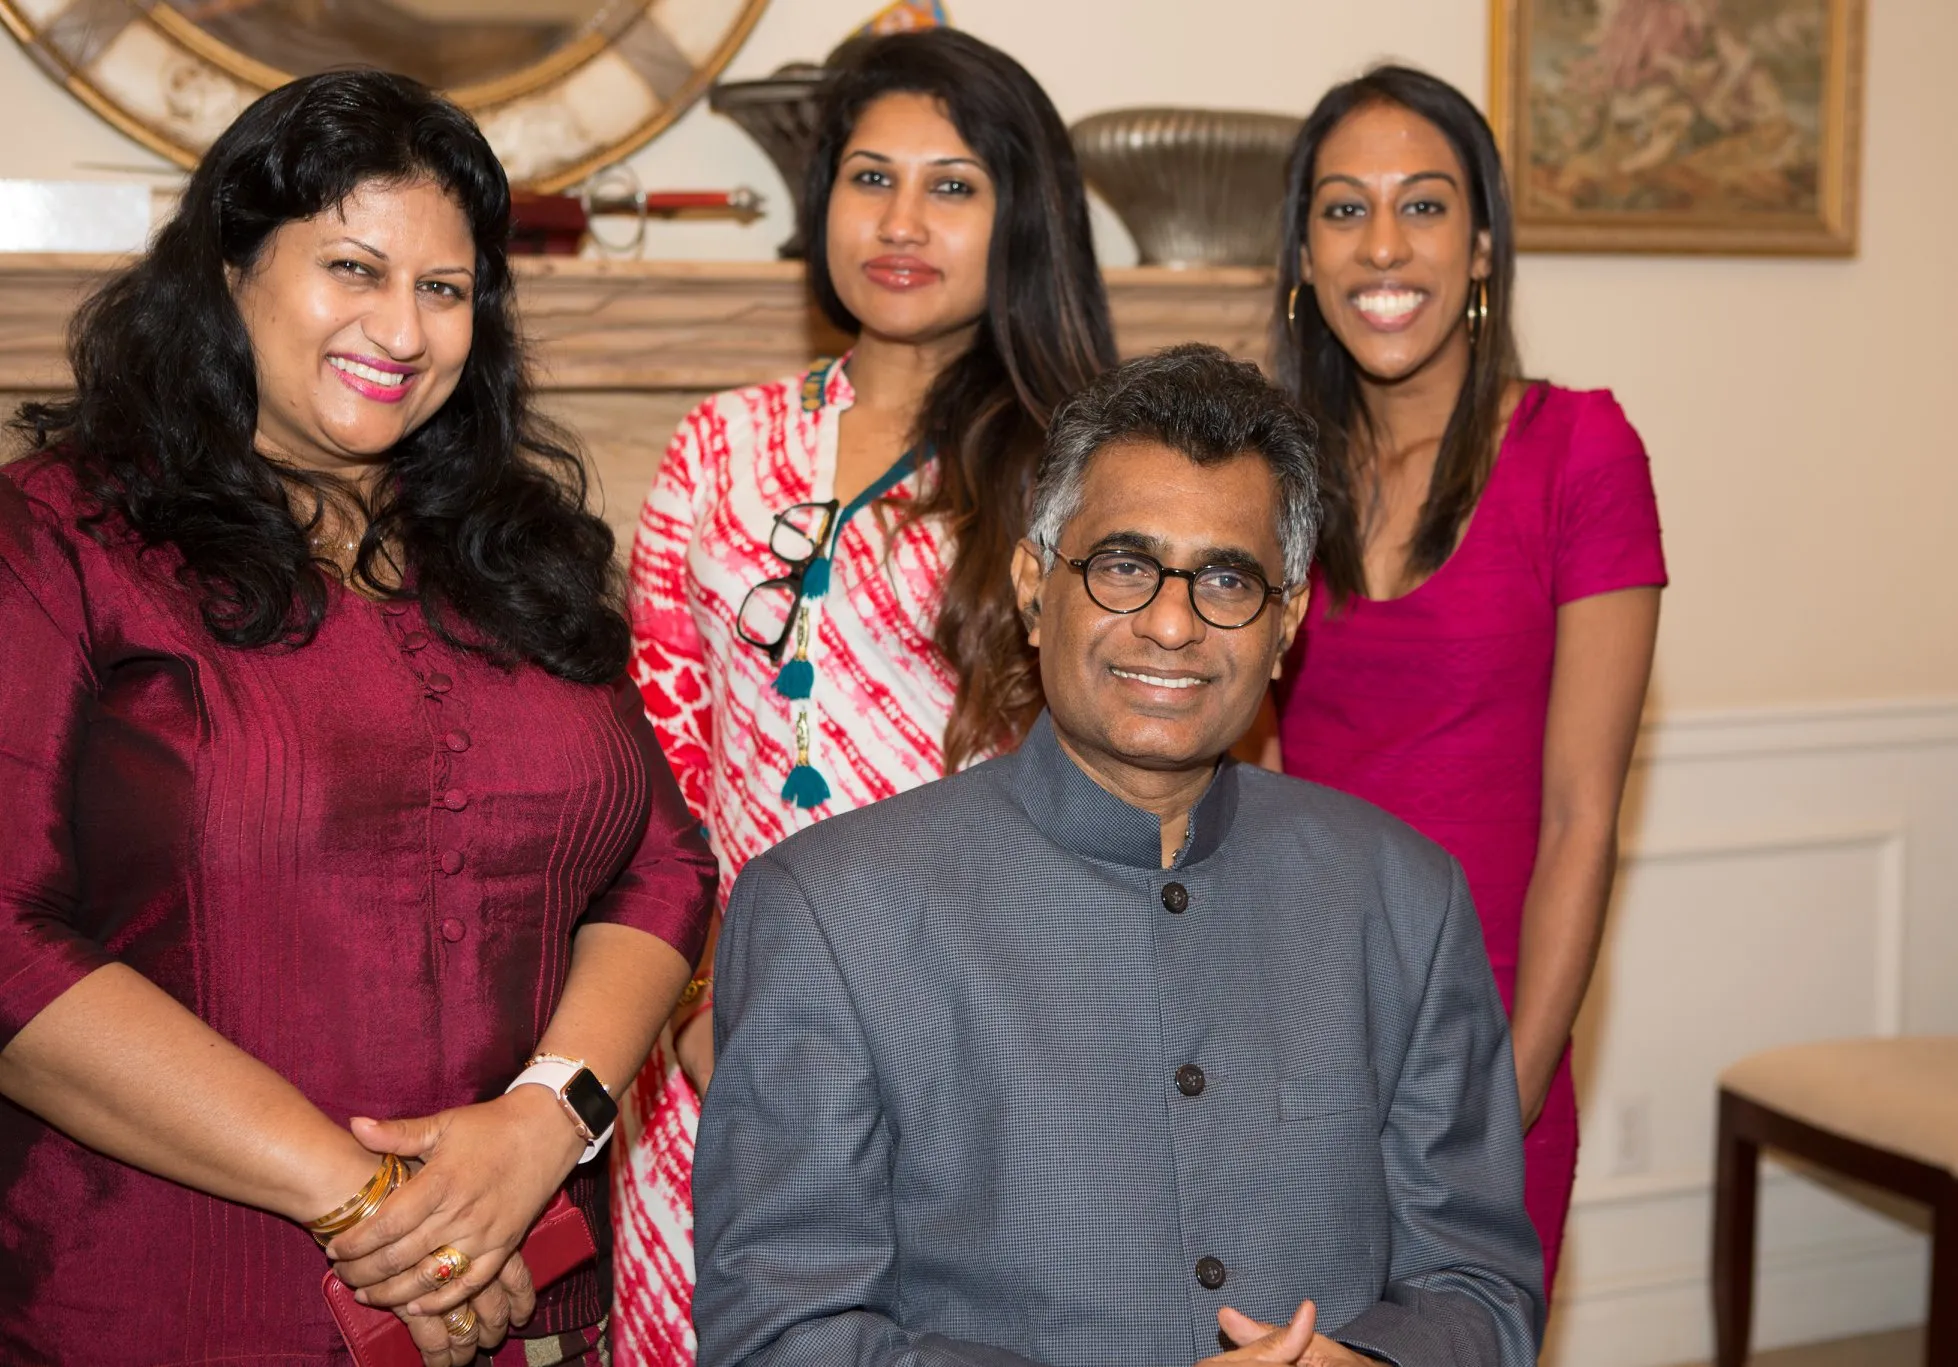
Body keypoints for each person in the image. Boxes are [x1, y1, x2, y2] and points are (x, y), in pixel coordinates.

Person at [0, 70, 715, 1366]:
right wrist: (384, 1209)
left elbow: (659, 866)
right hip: (170, 1310)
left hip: (527, 1300)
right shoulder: (60, 539)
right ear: (230, 269)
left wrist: (546, 1118)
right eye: (352, 267)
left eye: (444, 288)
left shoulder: (516, 555)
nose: (402, 327)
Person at [692, 345, 1544, 1367]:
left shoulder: (1401, 897)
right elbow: (782, 1334)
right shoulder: (831, 911)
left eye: (1226, 578)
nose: (1173, 624)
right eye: (1125, 566)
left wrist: (1363, 1363)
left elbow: (1479, 1284)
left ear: (1285, 623)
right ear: (1032, 586)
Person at [615, 29, 1116, 1364]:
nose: (900, 221)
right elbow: (652, 770)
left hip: (975, 1058)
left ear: (1022, 218)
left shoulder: (1086, 477)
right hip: (709, 1045)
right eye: (869, 178)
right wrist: (695, 1005)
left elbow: (1122, 807)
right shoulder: (716, 448)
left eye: (951, 186)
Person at [1269, 65, 1666, 1298]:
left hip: (1483, 1039)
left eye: (1424, 205)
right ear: (1302, 253)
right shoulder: (1266, 471)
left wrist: (1509, 1093)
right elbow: (1246, 777)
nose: (1383, 245)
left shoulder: (1579, 450)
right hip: (1284, 1034)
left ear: (1482, 244)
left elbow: (1580, 815)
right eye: (1343, 208)